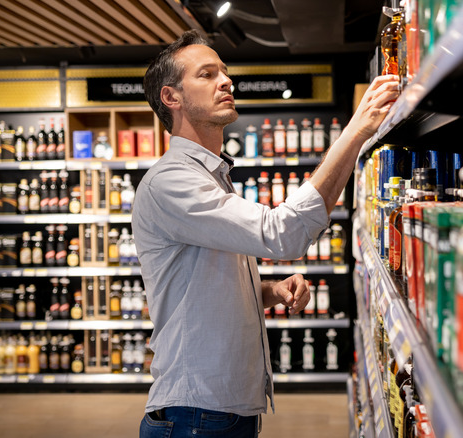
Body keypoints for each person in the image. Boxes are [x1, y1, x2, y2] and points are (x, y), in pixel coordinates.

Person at [135, 29, 399, 438]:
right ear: (172, 98)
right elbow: (283, 235)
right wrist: (354, 133)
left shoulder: (212, 177)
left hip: (222, 410)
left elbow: (202, 289)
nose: (226, 81)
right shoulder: (171, 181)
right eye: (207, 75)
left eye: (224, 71)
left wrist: (269, 290)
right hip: (196, 415)